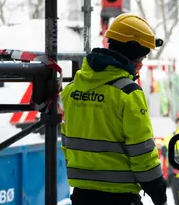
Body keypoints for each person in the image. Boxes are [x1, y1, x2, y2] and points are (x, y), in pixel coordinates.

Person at [60, 13, 167, 205]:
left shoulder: (72, 89)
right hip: (119, 197)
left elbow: (68, 142)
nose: (141, 63)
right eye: (142, 56)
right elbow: (141, 152)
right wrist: (158, 191)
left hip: (81, 196)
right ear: (132, 52)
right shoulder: (127, 92)